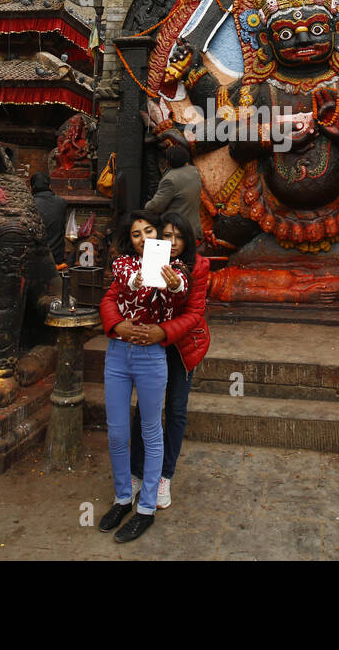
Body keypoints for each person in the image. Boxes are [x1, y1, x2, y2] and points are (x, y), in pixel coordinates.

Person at [97, 210, 188, 543]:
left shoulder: (175, 268)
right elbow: (127, 284)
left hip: (152, 355)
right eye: (137, 234)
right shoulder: (123, 264)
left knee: (151, 430)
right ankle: (123, 497)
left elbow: (181, 291)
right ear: (130, 240)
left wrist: (174, 282)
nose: (144, 237)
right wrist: (139, 279)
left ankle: (146, 507)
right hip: (119, 352)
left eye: (150, 230)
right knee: (118, 431)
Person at [128, 211, 211, 510]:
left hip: (183, 347)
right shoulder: (148, 262)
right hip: (152, 345)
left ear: (187, 239)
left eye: (178, 236)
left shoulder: (199, 266)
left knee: (175, 408)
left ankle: (165, 475)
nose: (172, 242)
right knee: (146, 410)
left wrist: (162, 330)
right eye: (166, 236)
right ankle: (137, 471)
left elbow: (193, 314)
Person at [144, 144, 203, 242]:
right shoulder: (194, 171)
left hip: (176, 230)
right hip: (193, 228)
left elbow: (155, 207)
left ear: (168, 161)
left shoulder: (170, 180)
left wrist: (146, 206)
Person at [30, 172, 68, 266]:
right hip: (57, 257)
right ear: (50, 186)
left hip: (36, 259)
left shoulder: (30, 203)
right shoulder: (61, 202)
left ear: (31, 187)